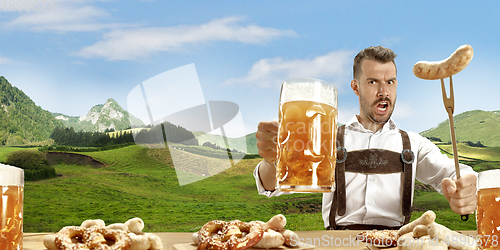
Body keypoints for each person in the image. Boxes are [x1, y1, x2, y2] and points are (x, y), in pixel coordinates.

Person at [253, 46, 477, 230]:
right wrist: (272, 160)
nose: (383, 91)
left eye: (390, 82)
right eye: (373, 82)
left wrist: (467, 185)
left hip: (396, 244)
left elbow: (453, 173)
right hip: (336, 244)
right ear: (355, 87)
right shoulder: (327, 139)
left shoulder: (413, 143)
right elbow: (271, 185)